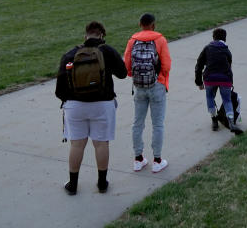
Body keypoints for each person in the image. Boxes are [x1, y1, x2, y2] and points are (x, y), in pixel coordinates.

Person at [55, 21, 127, 195]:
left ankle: (72, 185)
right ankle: (102, 183)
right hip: (103, 105)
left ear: (85, 35)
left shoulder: (71, 54)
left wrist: (69, 100)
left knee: (77, 145)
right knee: (101, 144)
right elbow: (123, 74)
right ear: (102, 36)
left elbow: (59, 89)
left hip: (75, 106)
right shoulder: (107, 51)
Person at [123, 13, 172, 174]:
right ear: (153, 24)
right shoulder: (160, 40)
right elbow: (166, 65)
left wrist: (134, 75)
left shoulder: (133, 40)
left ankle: (138, 158)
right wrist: (161, 77)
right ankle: (157, 160)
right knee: (158, 124)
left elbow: (127, 64)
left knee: (138, 123)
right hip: (157, 84)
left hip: (139, 86)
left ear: (140, 24)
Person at [194, 28, 243, 134]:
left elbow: (199, 65)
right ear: (225, 38)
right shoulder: (226, 50)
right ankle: (231, 122)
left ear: (213, 37)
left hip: (210, 78)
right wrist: (230, 82)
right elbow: (229, 67)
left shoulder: (207, 48)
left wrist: (199, 82)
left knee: (210, 97)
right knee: (227, 100)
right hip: (225, 79)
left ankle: (214, 120)